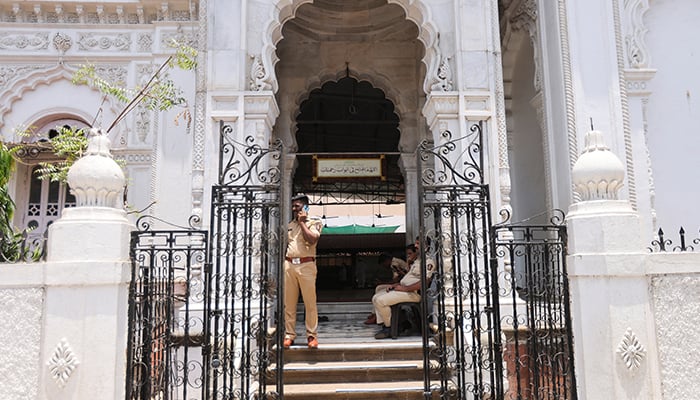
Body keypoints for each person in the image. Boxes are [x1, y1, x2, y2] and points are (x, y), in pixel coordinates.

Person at [284, 194, 323, 349]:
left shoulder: (315, 222)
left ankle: (311, 335)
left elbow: (312, 239)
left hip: (306, 265)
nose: (294, 209)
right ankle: (289, 335)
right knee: (289, 303)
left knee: (309, 302)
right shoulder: (290, 224)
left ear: (306, 207)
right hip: (289, 265)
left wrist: (303, 223)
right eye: (293, 206)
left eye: (297, 206)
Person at [371, 244, 434, 339]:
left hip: (413, 293)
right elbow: (407, 278)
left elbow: (424, 282)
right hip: (405, 290)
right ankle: (391, 323)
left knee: (380, 300)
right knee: (376, 297)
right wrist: (397, 285)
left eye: (417, 244)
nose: (415, 245)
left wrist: (404, 288)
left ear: (425, 247)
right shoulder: (416, 261)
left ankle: (390, 328)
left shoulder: (428, 262)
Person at [363, 253, 408, 325]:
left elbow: (395, 280)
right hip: (403, 283)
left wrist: (382, 282)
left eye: (384, 264)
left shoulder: (394, 264)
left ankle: (376, 316)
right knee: (379, 288)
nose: (385, 267)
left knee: (379, 289)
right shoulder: (396, 261)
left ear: (387, 261)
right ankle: (374, 313)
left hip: (404, 285)